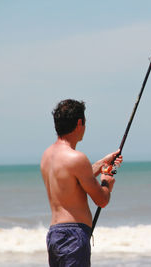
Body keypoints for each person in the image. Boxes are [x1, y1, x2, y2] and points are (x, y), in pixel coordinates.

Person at [40, 99, 122, 267]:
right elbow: (102, 200)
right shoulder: (77, 158)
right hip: (73, 237)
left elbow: (72, 181)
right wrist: (106, 181)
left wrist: (102, 164)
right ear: (79, 123)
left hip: (55, 235)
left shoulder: (47, 156)